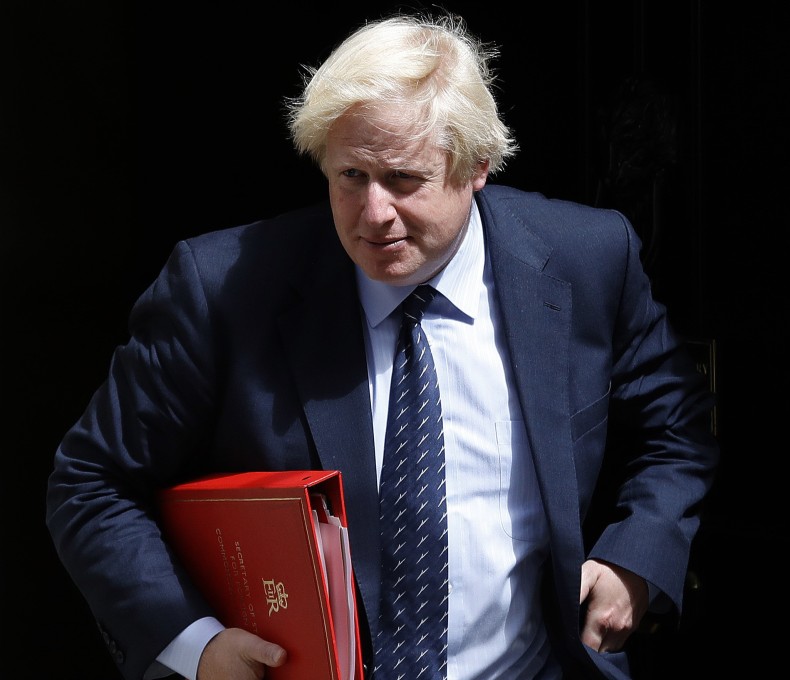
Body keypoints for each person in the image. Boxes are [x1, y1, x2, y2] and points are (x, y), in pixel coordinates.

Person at [46, 11, 719, 680]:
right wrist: (198, 645)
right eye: (349, 177)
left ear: (477, 165)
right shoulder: (224, 288)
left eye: (404, 180)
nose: (373, 214)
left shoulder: (587, 259)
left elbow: (677, 426)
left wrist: (638, 555)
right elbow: (91, 483)